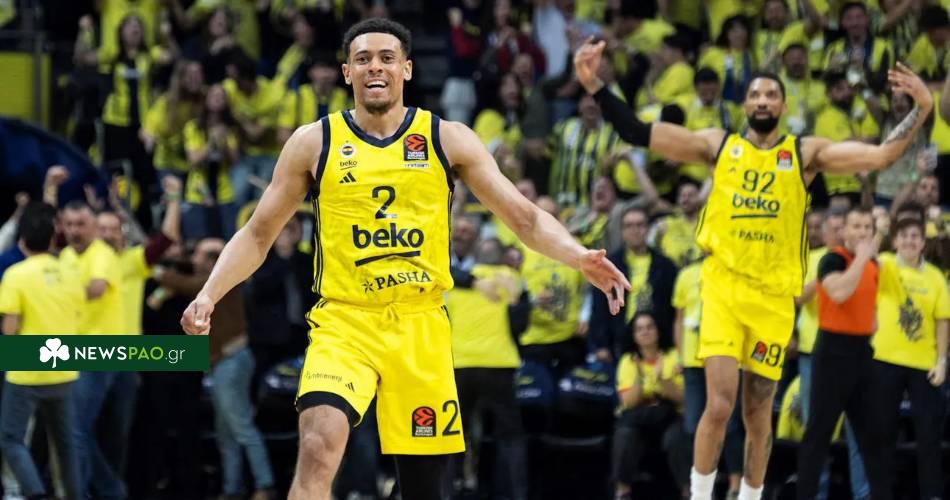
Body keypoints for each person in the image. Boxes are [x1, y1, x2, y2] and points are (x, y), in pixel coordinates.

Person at [180, 18, 630, 500]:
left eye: (386, 58)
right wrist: (209, 293)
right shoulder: (315, 141)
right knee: (317, 444)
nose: (375, 67)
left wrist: (579, 256)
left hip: (420, 323)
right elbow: (257, 234)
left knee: (424, 489)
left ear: (407, 69)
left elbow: (525, 218)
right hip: (345, 321)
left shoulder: (446, 138)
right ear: (347, 72)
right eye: (362, 59)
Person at [573, 38, 933, 500]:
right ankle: (701, 495)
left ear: (783, 106)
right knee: (719, 404)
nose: (763, 100)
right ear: (744, 104)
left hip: (773, 299)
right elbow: (638, 131)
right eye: (755, 94)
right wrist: (595, 86)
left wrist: (922, 108)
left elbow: (881, 156)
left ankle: (750, 496)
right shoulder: (718, 145)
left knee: (758, 413)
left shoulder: (804, 153)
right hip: (724, 289)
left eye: (771, 95)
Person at [797, 207, 888, 500]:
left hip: (862, 352)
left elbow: (870, 312)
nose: (862, 232)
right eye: (856, 226)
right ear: (845, 231)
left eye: (867, 227)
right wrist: (861, 258)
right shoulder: (832, 259)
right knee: (818, 435)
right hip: (832, 353)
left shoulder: (873, 265)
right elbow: (838, 293)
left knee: (873, 437)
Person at [0, 202, 83, 500]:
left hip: (26, 368)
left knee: (11, 438)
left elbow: (9, 328)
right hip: (63, 365)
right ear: (52, 238)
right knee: (65, 443)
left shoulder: (16, 274)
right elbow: (78, 314)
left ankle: (34, 493)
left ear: (22, 240)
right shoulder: (70, 273)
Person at [873, 216, 950, 500]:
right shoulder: (884, 264)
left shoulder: (936, 276)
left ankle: (931, 494)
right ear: (895, 241)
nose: (909, 241)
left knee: (929, 437)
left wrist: (941, 361)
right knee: (882, 435)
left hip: (924, 365)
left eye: (915, 236)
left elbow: (943, 321)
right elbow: (862, 260)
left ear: (923, 242)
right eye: (903, 236)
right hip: (884, 361)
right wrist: (879, 231)